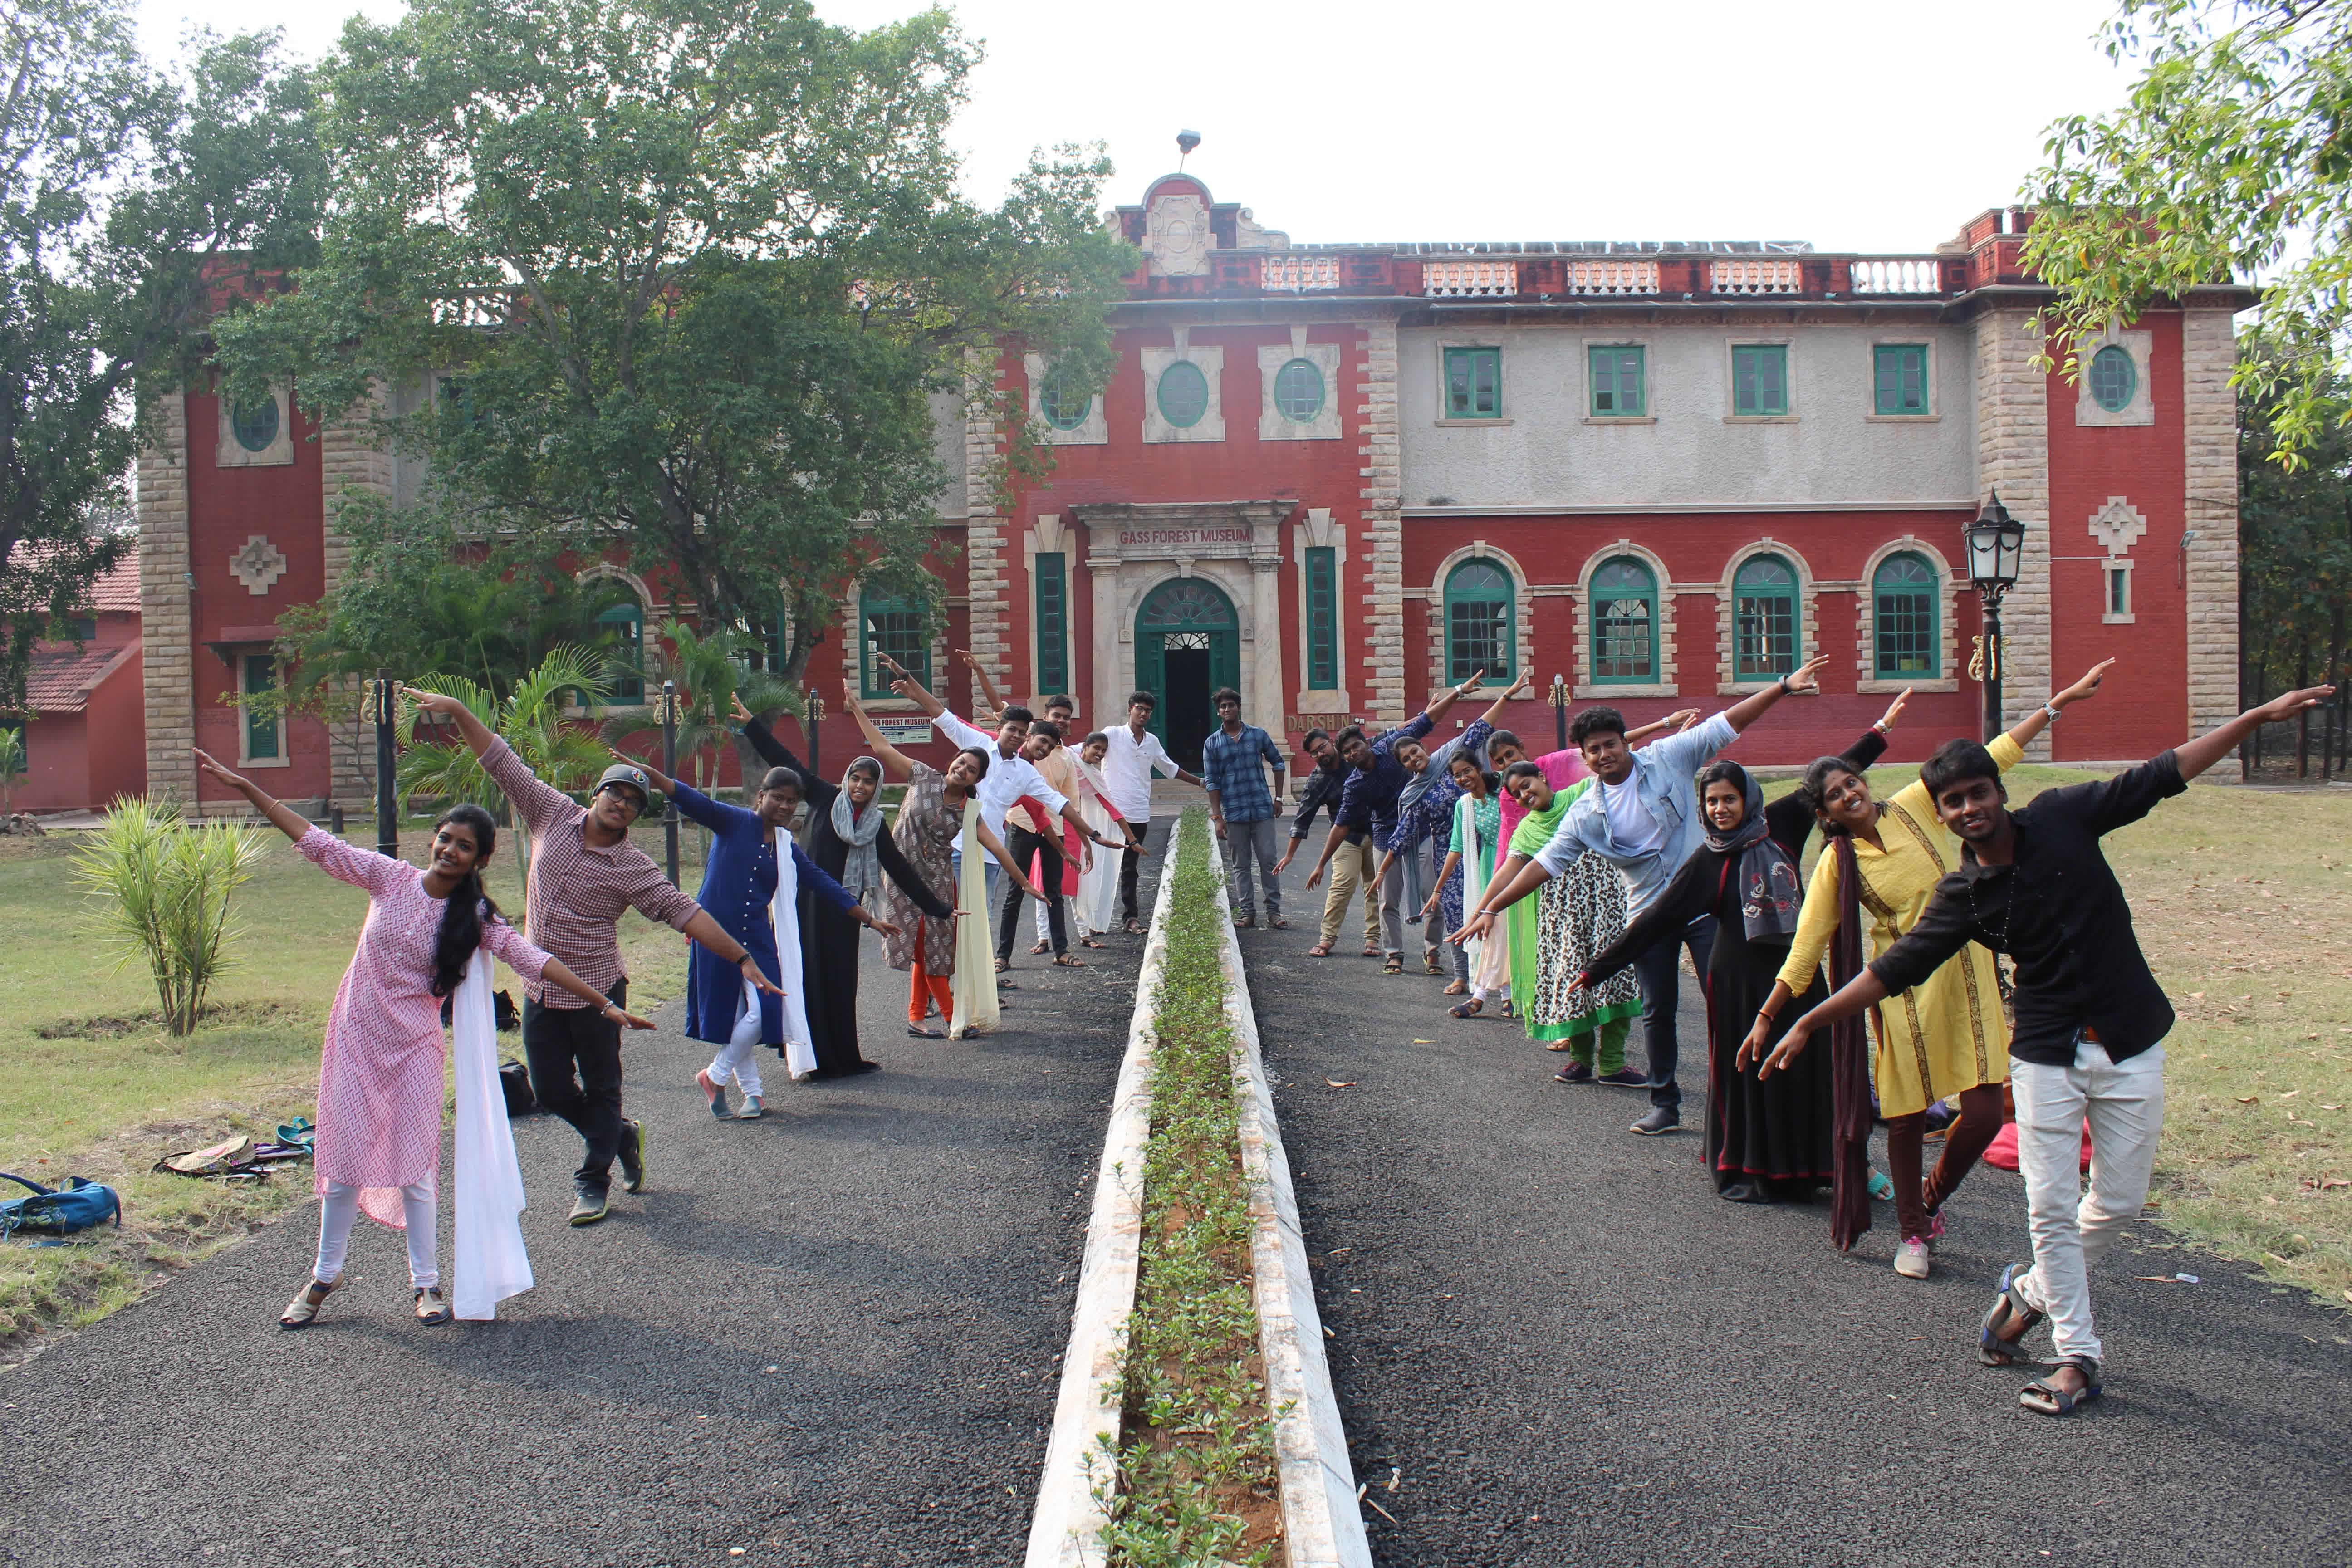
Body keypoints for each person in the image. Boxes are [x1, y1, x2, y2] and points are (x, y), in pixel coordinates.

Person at [1768, 683, 2334, 1416]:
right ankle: (2076, 1357)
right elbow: (1892, 968)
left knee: (2120, 1202)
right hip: (2042, 1054)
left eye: (1977, 793)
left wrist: (2254, 718)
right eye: (1952, 803)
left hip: (2128, 1038)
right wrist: (1809, 1019)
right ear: (1939, 815)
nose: (1968, 809)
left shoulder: (2065, 817)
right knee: (2049, 1210)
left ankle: (2027, 1291)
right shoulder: (1962, 895)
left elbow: (2159, 774)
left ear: (1998, 792)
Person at [194, 751, 657, 1329]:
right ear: (432, 841)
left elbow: (534, 960)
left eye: (464, 846)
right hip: (355, 1040)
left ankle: (427, 1284)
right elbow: (316, 842)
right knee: (341, 1167)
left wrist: (604, 1002)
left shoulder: (480, 918)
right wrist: (247, 789)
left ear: (480, 859)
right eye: (444, 839)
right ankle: (323, 1276)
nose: (449, 850)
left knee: (415, 1171)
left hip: (414, 1049)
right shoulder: (389, 879)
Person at [1747, 661, 2113, 1274]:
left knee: (1985, 1113)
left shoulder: (1915, 803)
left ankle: (1930, 1197)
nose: (1849, 794)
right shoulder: (1839, 863)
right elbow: (1807, 946)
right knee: (1910, 1112)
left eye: (1851, 783)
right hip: (1903, 989)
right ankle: (1913, 1232)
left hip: (1969, 970)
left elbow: (1994, 754)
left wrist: (2059, 704)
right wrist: (1769, 1016)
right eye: (1835, 795)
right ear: (1827, 814)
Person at [402, 687, 774, 1226]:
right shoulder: (552, 814)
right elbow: (503, 763)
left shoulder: (634, 867)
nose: (620, 802)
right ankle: (620, 1136)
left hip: (598, 991)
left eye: (631, 801)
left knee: (603, 1088)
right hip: (539, 985)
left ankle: (592, 1179)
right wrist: (459, 712)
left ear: (635, 816)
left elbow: (682, 910)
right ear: (597, 794)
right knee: (551, 1091)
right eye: (614, 793)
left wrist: (740, 956)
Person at [1454, 655, 1828, 1136]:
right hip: (1649, 917)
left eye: (1611, 744)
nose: (1605, 754)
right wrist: (1490, 907)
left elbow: (1725, 725)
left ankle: (1736, 1100)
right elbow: (1545, 863)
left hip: (1707, 907)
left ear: (1624, 742)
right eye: (1594, 750)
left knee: (1727, 1000)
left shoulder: (1668, 758)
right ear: (1584, 758)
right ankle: (1665, 1103)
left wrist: (1783, 686)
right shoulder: (1585, 811)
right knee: (1658, 1009)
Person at [1577, 709, 1894, 1201]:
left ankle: (1833, 1164)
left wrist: (1878, 735)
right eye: (1713, 801)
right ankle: (1755, 1165)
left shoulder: (1782, 826)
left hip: (1798, 974)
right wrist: (1598, 968)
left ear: (1748, 799)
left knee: (1813, 1071)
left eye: (1730, 799)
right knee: (1750, 1073)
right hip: (1737, 987)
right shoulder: (1707, 860)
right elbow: (1657, 919)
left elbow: (1827, 779)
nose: (1722, 809)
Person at [621, 752, 900, 1107]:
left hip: (756, 936)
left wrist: (869, 918)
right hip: (715, 932)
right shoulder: (732, 821)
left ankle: (715, 1076)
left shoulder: (785, 846)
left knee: (767, 1008)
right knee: (732, 1014)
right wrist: (650, 775)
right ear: (761, 797)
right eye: (778, 798)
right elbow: (689, 797)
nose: (784, 806)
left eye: (791, 801)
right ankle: (752, 1094)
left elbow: (822, 882)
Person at [729, 697, 955, 1075]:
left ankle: (843, 1057)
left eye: (869, 781)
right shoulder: (823, 796)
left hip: (847, 908)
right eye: (856, 778)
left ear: (877, 786)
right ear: (847, 779)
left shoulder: (874, 825)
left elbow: (898, 867)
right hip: (806, 904)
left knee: (840, 978)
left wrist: (939, 908)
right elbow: (787, 761)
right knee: (808, 975)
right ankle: (808, 1057)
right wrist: (753, 725)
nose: (860, 786)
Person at [881, 654, 1130, 963]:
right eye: (1011, 729)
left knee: (979, 919)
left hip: (988, 855)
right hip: (954, 847)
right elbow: (940, 713)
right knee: (943, 915)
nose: (1016, 736)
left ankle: (980, 989)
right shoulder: (978, 744)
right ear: (1001, 728)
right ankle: (939, 990)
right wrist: (907, 676)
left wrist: (1093, 835)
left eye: (1021, 732)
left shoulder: (1026, 773)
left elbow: (1059, 805)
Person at [841, 682, 1044, 1038]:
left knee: (933, 948)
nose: (961, 770)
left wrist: (1026, 883)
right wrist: (858, 710)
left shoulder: (969, 812)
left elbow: (997, 848)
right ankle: (951, 1018)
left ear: (977, 780)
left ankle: (919, 1017)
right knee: (925, 945)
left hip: (936, 884)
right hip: (902, 878)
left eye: (970, 770)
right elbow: (882, 747)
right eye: (960, 763)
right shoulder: (922, 776)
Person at [1303, 674, 1484, 975]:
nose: (1353, 754)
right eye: (1347, 752)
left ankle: (1432, 952)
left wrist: (1459, 692)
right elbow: (1342, 825)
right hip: (1387, 838)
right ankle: (1394, 953)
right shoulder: (1354, 785)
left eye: (1356, 747)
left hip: (1424, 833)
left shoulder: (1390, 748)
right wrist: (1321, 863)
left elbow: (1427, 721)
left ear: (1365, 744)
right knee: (1387, 900)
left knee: (1432, 894)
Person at [1097, 689, 1203, 931]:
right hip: (1111, 814)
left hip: (1138, 813)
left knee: (1130, 868)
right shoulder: (1111, 735)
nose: (1143, 714)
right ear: (1130, 710)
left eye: (1147, 711)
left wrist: (1200, 783)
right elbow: (1087, 751)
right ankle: (1095, 922)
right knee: (1105, 868)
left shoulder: (1152, 742)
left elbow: (1170, 769)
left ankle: (1130, 919)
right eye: (1139, 709)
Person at [1278, 728, 1380, 959]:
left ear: (1331, 743)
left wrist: (1426, 713)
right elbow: (1303, 818)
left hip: (1377, 832)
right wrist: (1289, 855)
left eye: (1322, 747)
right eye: (1314, 753)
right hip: (1346, 837)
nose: (1320, 754)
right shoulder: (1318, 781)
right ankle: (1327, 938)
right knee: (1341, 886)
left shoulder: (1355, 754)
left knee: (1375, 887)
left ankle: (1373, 938)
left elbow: (1393, 734)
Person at [1200, 687, 1289, 930]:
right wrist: (1218, 817)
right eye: (1223, 706)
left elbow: (1278, 762)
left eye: (1231, 705)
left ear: (1239, 707)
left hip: (1262, 810)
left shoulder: (1258, 735)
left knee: (1269, 861)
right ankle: (1247, 912)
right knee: (1240, 865)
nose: (1227, 709)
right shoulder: (1213, 743)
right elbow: (1212, 781)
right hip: (1234, 813)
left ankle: (1274, 912)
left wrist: (1279, 797)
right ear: (1218, 712)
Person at [1069, 731, 1129, 946]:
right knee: (1046, 884)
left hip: (1075, 824)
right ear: (1085, 746)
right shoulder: (1067, 757)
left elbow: (1112, 807)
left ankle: (1085, 934)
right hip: (1051, 821)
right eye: (1097, 748)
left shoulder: (1095, 777)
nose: (1101, 753)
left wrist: (1132, 841)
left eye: (1104, 751)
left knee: (1076, 879)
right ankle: (1043, 938)